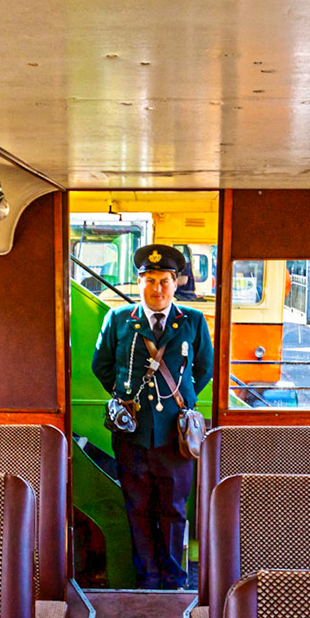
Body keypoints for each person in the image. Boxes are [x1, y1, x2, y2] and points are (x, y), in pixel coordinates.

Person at [92, 244, 214, 589]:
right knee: (138, 508)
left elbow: (204, 368)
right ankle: (148, 576)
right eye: (149, 280)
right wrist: (127, 401)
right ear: (139, 282)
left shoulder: (192, 320)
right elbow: (101, 365)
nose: (156, 288)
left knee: (174, 510)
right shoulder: (119, 320)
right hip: (132, 435)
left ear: (176, 283)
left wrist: (182, 400)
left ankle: (174, 578)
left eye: (164, 281)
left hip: (176, 435)